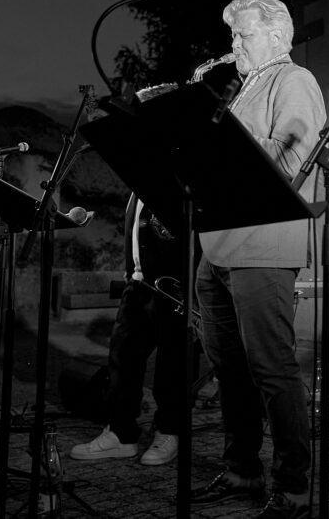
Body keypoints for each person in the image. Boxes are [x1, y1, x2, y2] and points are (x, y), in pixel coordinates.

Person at [188, 0, 325, 519]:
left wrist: (218, 140)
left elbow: (293, 156)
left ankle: (294, 486)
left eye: (243, 35)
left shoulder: (294, 80)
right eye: (232, 36)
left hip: (264, 246)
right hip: (217, 245)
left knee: (271, 368)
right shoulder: (241, 88)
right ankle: (242, 470)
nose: (234, 45)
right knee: (229, 370)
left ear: (276, 37)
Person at [69, 193, 196, 467]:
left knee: (172, 363)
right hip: (137, 283)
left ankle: (169, 431)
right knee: (122, 358)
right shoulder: (139, 185)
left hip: (172, 284)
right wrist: (130, 271)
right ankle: (121, 433)